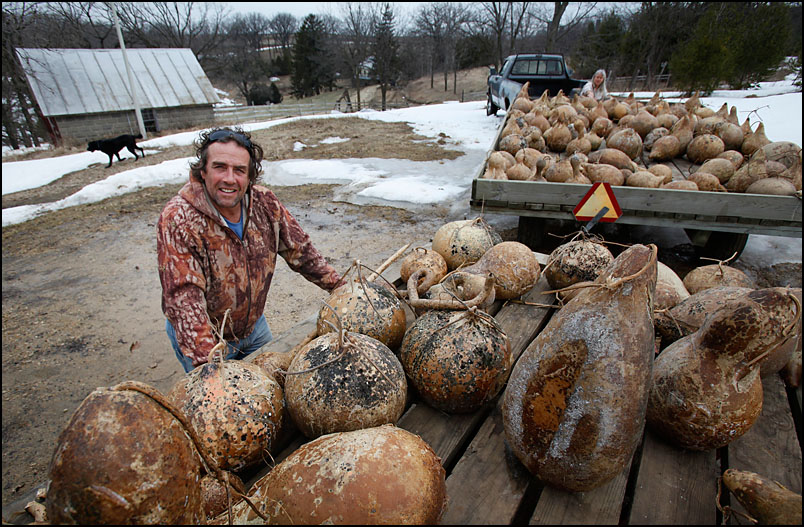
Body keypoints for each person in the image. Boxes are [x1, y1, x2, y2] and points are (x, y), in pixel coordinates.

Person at [157, 127, 342, 372]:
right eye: (220, 167)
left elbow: (302, 252)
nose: (229, 179)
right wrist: (210, 365)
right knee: (225, 406)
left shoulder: (265, 204)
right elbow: (184, 299)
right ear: (203, 171)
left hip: (254, 329)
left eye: (239, 170)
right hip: (208, 342)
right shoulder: (179, 218)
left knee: (274, 385)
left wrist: (342, 287)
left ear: (250, 175)